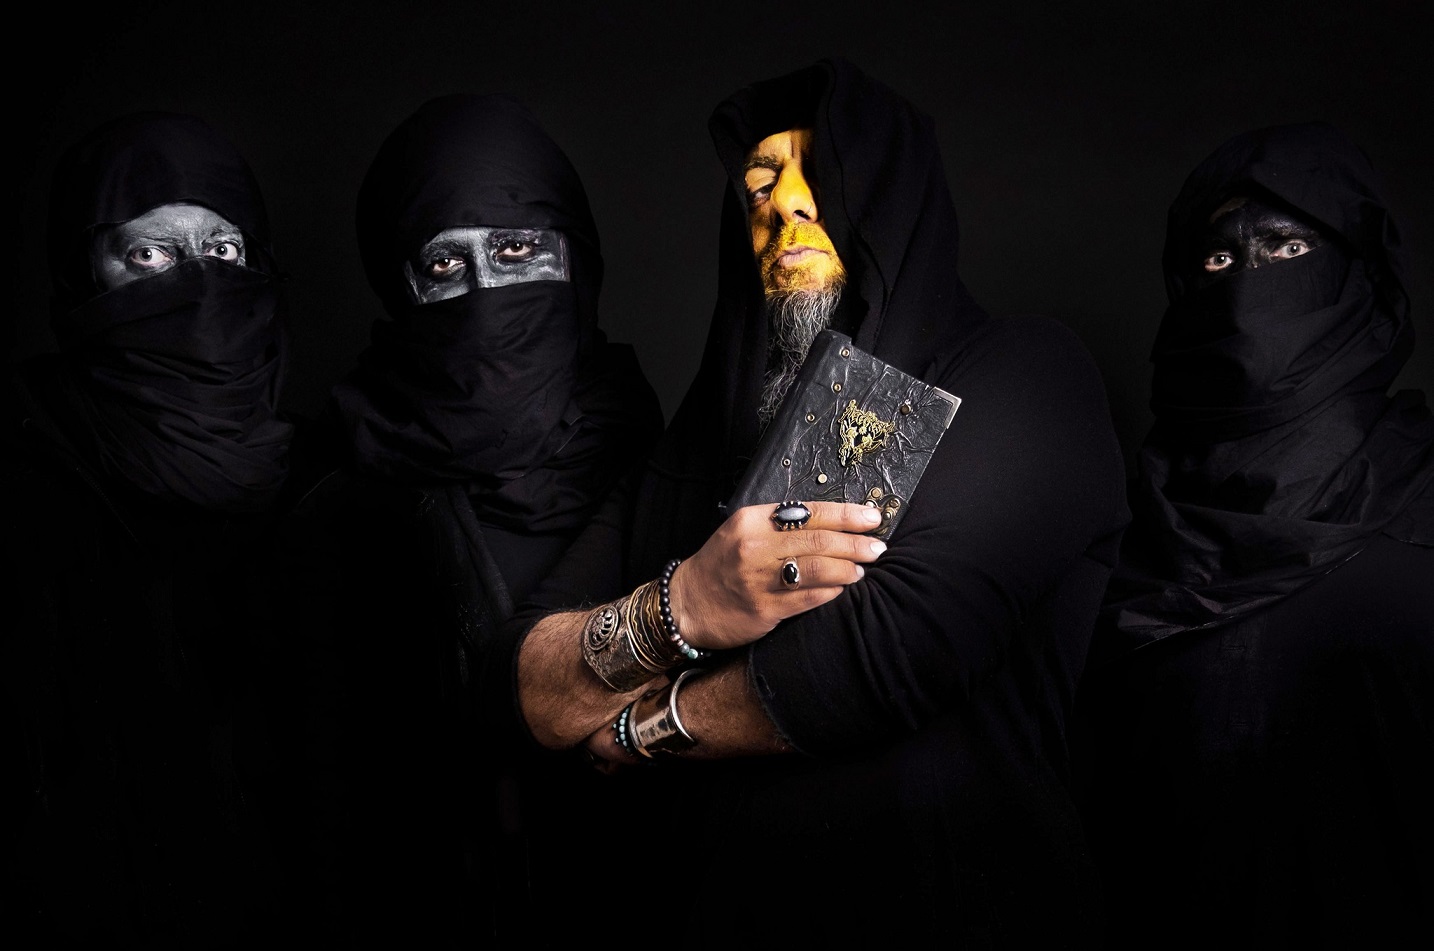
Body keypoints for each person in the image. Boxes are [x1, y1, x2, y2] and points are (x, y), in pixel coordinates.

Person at [508, 58, 1129, 947]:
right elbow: (528, 684)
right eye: (760, 183)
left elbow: (884, 654)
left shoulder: (1024, 375)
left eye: (824, 169)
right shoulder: (700, 436)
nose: (788, 204)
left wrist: (639, 727)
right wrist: (685, 604)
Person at [271, 93, 663, 943]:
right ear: (401, 288)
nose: (485, 292)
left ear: (575, 257)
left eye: (516, 249)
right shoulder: (339, 503)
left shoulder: (656, 457)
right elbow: (322, 802)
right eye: (444, 265)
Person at [1077, 122, 1434, 947]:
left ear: (1358, 268)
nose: (1246, 286)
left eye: (1287, 247)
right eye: (1217, 259)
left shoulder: (1421, 502)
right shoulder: (1135, 531)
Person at [2, 112, 300, 945]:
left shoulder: (327, 475)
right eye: (150, 255)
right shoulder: (24, 476)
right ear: (81, 275)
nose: (199, 285)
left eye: (225, 250)